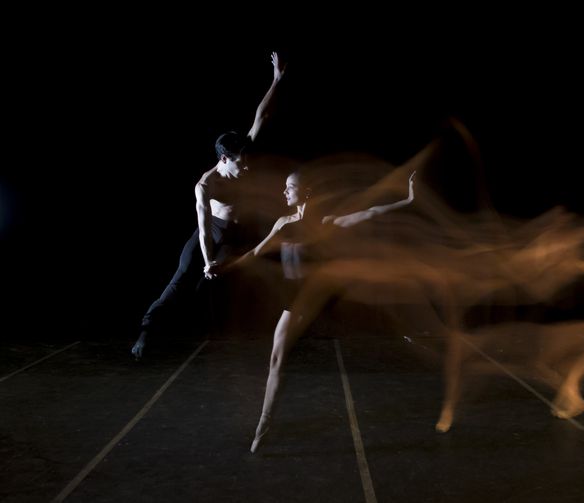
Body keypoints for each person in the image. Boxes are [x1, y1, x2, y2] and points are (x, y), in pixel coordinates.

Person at [246, 167, 416, 453]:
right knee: (276, 358)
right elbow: (256, 252)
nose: (284, 191)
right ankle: (265, 423)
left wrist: (407, 201)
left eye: (290, 186)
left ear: (307, 191)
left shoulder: (324, 223)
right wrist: (220, 267)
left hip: (315, 297)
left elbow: (369, 213)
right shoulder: (283, 222)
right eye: (285, 186)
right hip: (293, 298)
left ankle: (410, 328)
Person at [131, 52, 286, 360]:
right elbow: (203, 230)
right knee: (183, 277)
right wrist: (208, 260)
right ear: (223, 159)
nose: (246, 168)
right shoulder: (206, 185)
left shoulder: (243, 154)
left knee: (235, 275)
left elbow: (261, 117)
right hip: (214, 233)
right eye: (240, 164)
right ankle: (147, 329)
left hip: (240, 233)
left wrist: (276, 80)